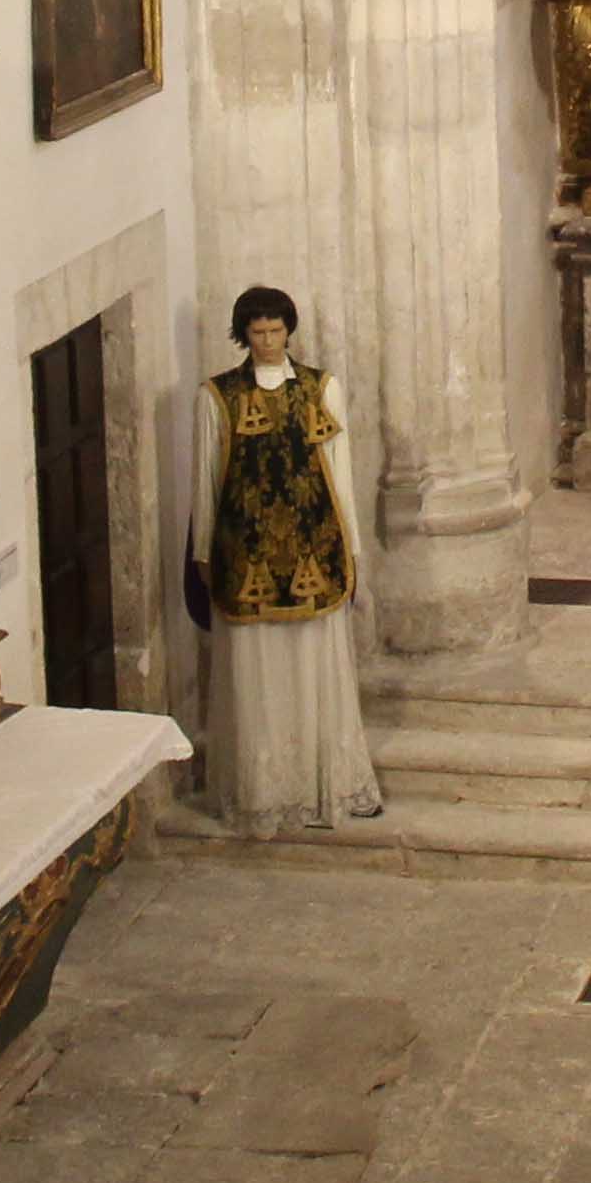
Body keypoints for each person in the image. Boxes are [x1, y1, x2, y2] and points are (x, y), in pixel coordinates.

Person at [188, 285, 385, 835]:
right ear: (243, 335)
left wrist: (352, 549)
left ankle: (326, 783)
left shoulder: (323, 389)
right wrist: (203, 555)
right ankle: (260, 792)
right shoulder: (215, 398)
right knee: (255, 680)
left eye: (277, 331)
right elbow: (206, 480)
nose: (270, 342)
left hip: (313, 553)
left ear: (289, 331)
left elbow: (337, 469)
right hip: (244, 559)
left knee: (315, 670)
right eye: (259, 333)